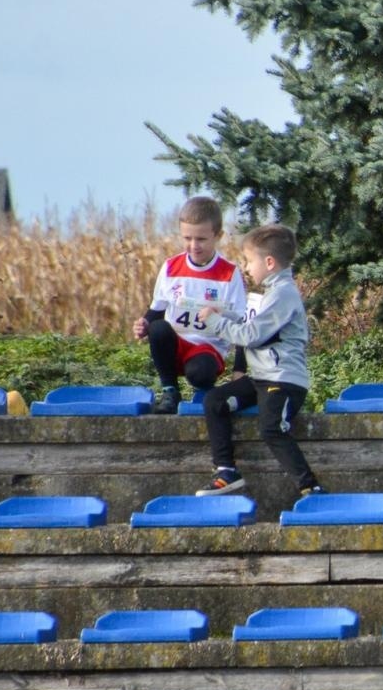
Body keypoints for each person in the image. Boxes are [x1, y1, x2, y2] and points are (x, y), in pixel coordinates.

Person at [192, 224, 321, 497]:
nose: (247, 269)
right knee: (214, 401)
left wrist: (214, 321)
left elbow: (251, 335)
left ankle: (310, 487)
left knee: (272, 429)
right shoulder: (272, 293)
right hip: (264, 378)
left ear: (270, 262)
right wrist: (223, 312)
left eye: (250, 261)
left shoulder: (284, 294)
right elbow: (248, 319)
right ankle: (226, 471)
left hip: (283, 381)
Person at [133, 196, 246, 415]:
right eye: (187, 238)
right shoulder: (170, 267)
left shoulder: (229, 274)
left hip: (208, 348)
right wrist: (144, 322)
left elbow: (242, 324)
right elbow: (157, 309)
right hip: (177, 343)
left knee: (200, 372)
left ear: (218, 236)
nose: (194, 246)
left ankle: (205, 393)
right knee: (158, 329)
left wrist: (239, 370)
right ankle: (170, 391)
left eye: (201, 239)